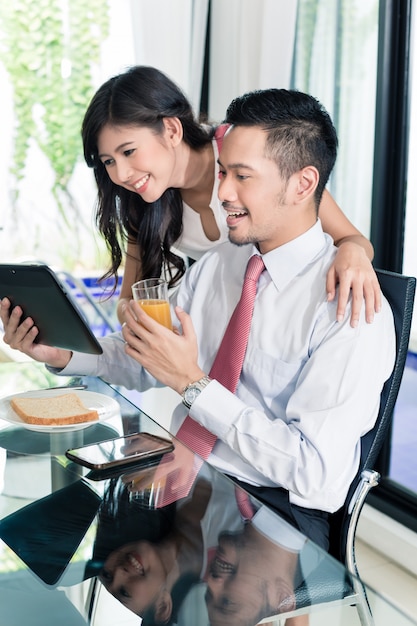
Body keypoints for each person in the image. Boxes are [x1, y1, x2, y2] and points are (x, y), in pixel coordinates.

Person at [1, 88, 395, 555]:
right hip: (188, 473)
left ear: (303, 185)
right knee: (39, 541)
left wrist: (193, 385)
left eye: (241, 176)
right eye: (223, 172)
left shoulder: (349, 309)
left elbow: (315, 473)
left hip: (271, 513)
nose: (222, 192)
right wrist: (63, 353)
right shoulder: (222, 265)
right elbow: (151, 360)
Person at [82, 65, 379, 328]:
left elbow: (353, 239)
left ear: (171, 129)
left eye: (129, 151)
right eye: (109, 161)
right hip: (225, 325)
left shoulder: (242, 154)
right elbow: (130, 297)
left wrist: (351, 252)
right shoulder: (144, 201)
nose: (121, 174)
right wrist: (136, 316)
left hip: (289, 315)